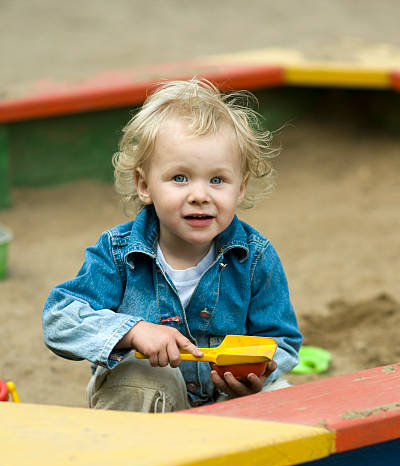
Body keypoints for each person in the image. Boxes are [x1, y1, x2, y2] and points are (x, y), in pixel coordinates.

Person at [42, 78, 302, 412]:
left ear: (240, 188)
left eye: (217, 180)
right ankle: (131, 461)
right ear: (144, 185)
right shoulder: (119, 253)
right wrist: (132, 331)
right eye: (180, 178)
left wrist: (260, 371)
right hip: (151, 401)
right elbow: (59, 318)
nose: (199, 195)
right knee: (141, 375)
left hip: (227, 398)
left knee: (285, 400)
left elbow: (281, 339)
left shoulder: (254, 256)